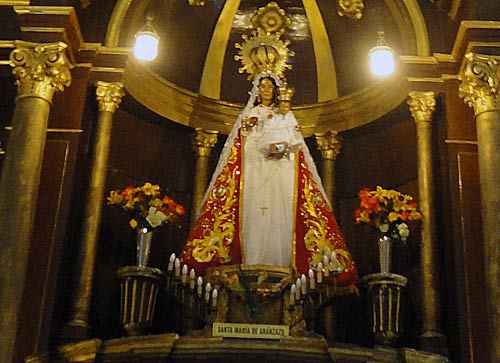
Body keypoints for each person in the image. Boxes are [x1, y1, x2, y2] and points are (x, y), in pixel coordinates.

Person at [181, 71, 357, 287]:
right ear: (256, 90)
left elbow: (294, 143)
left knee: (280, 214)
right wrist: (251, 135)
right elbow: (242, 146)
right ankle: (251, 262)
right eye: (262, 86)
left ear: (275, 90)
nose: (265, 90)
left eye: (269, 87)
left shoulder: (285, 115)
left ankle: (279, 265)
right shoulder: (250, 114)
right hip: (255, 172)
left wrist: (280, 147)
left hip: (279, 172)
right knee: (252, 213)